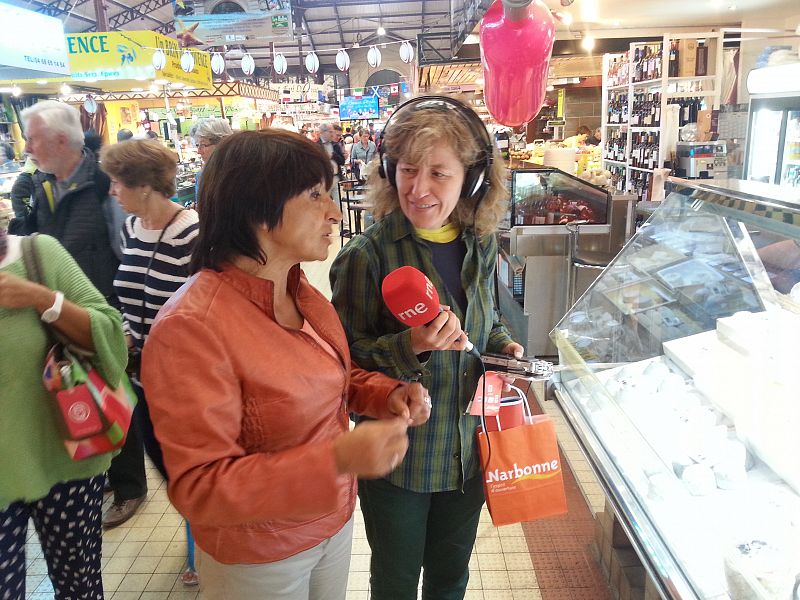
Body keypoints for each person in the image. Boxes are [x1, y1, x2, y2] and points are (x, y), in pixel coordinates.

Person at [141, 129, 431, 600]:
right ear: (258, 209)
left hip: (331, 523)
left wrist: (385, 393)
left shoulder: (300, 292)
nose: (334, 212)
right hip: (259, 555)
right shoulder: (192, 328)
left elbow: (326, 378)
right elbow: (200, 487)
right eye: (315, 195)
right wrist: (337, 459)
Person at [329, 96, 524, 600]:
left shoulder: (479, 241)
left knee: (450, 578)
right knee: (394, 583)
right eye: (408, 170)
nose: (419, 188)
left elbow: (488, 321)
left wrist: (503, 347)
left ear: (472, 179)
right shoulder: (366, 256)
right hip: (402, 460)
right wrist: (409, 346)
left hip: (468, 449)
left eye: (439, 173)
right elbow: (341, 366)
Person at [0, 225, 127, 599]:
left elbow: (110, 332)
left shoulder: (38, 255)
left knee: (80, 589)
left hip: (67, 459)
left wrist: (43, 299)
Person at [100, 139, 201, 579]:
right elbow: (129, 297)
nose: (112, 192)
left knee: (194, 469)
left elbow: (210, 309)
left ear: (144, 186)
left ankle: (206, 549)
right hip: (142, 380)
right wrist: (125, 331)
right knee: (169, 471)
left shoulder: (193, 233)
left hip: (187, 381)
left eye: (117, 182)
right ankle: (199, 536)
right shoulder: (131, 230)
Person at [191, 117, 233, 205]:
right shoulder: (202, 176)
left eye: (202, 145)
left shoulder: (242, 173)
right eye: (197, 145)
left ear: (221, 143)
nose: (199, 151)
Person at [318, 123, 347, 231]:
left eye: (332, 131)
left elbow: (342, 161)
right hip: (324, 180)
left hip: (336, 178)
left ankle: (344, 228)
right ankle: (323, 228)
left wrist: (333, 156)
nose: (332, 134)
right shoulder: (316, 146)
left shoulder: (335, 145)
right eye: (330, 132)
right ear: (323, 133)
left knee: (341, 203)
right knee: (322, 205)